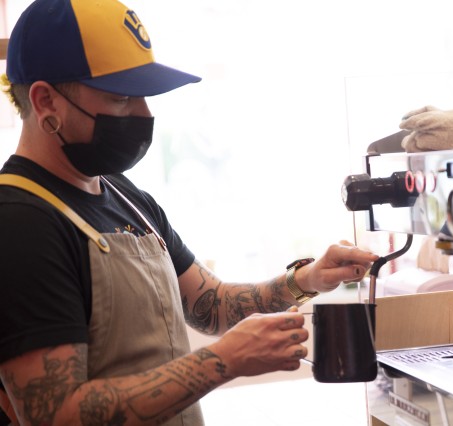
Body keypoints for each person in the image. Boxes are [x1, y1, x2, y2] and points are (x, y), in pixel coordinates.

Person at [0, 0, 378, 424]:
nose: (144, 115)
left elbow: (209, 304)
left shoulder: (124, 196)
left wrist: (306, 279)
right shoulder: (19, 223)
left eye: (145, 97)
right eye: (122, 98)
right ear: (46, 100)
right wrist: (222, 361)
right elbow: (57, 415)